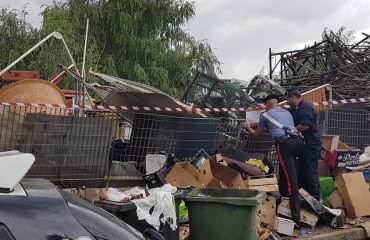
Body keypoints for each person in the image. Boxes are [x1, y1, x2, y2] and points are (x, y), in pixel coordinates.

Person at [243, 95, 304, 227]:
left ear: (267, 105)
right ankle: (282, 204)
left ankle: (296, 218)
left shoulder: (265, 116)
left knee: (290, 177)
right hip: (299, 142)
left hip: (285, 144)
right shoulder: (286, 112)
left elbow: (257, 135)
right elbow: (273, 111)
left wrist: (248, 127)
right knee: (286, 171)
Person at [286, 89, 322, 201]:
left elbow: (304, 126)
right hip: (305, 144)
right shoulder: (297, 108)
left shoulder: (305, 107)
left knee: (309, 169)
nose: (287, 101)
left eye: (288, 99)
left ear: (293, 97)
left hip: (311, 144)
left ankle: (315, 198)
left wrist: (291, 131)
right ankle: (305, 196)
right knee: (302, 169)